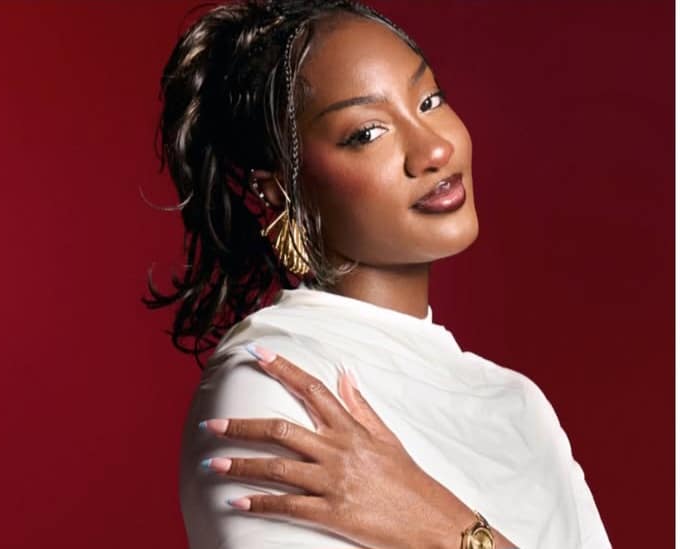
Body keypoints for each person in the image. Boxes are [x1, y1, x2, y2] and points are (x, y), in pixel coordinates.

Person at [147, 1, 612, 547]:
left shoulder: (520, 407)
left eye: (429, 100)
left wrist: (442, 524)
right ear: (278, 189)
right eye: (368, 132)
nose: (435, 148)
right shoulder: (279, 384)